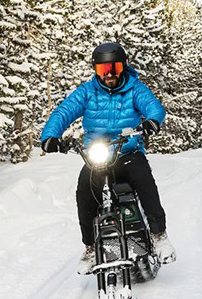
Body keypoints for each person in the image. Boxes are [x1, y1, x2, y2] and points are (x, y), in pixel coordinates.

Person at [41, 42, 175, 274]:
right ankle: (90, 247)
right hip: (97, 155)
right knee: (84, 190)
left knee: (144, 181)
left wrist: (152, 120)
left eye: (115, 68)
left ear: (123, 67)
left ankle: (159, 235)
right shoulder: (87, 91)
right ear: (96, 70)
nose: (110, 74)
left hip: (128, 151)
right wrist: (50, 135)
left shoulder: (135, 88)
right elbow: (63, 111)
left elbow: (153, 106)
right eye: (104, 70)